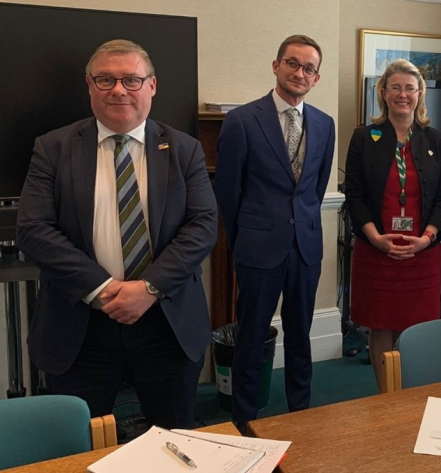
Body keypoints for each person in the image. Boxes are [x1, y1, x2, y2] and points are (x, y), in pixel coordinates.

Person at [16, 39, 218, 428]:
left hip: (166, 324)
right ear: (89, 86)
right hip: (81, 326)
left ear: (152, 86)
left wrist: (148, 289)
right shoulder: (53, 148)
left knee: (172, 438)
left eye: (131, 80)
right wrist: (105, 289)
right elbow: (34, 229)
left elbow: (203, 226)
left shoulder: (184, 149)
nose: (119, 90)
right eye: (105, 80)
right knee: (78, 444)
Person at [215, 35, 335, 426]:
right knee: (251, 340)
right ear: (276, 65)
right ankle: (245, 419)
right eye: (292, 63)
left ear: (316, 78)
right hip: (257, 249)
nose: (299, 73)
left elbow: (314, 190)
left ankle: (300, 414)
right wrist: (244, 238)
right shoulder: (242, 121)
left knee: (301, 336)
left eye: (308, 68)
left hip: (305, 249)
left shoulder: (324, 124)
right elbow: (228, 192)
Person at [344, 59, 441, 390]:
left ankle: (412, 394)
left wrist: (429, 237)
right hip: (377, 250)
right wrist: (375, 237)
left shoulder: (437, 140)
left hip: (422, 252)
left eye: (410, 88)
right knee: (381, 326)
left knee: (417, 329)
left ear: (420, 94)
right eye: (396, 87)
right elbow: (355, 194)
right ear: (383, 93)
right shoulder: (365, 137)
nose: (403, 94)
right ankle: (385, 397)